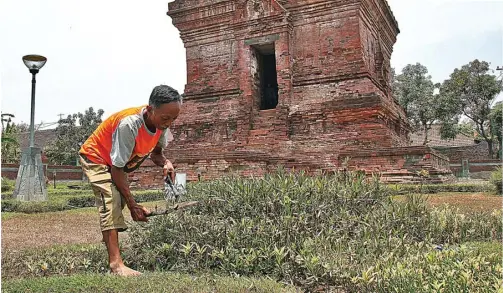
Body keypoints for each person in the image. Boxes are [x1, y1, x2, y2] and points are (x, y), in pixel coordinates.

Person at [78, 85, 182, 276]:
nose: (169, 123)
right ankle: (116, 264)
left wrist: (166, 163)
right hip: (96, 157)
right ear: (150, 110)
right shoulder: (130, 125)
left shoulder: (161, 126)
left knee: (119, 200)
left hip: (116, 162)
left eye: (173, 119)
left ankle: (109, 239)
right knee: (111, 200)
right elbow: (118, 169)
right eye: (166, 118)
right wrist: (133, 205)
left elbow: (156, 154)